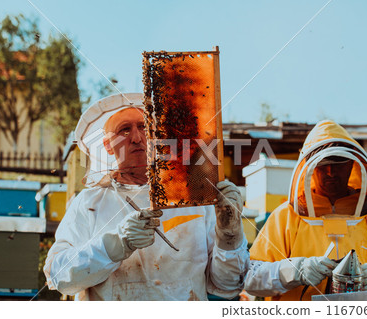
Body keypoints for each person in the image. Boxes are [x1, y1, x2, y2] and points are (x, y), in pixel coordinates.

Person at [43, 93, 249, 300]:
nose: (136, 138)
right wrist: (115, 244)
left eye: (144, 127)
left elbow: (227, 284)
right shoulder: (89, 203)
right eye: (124, 130)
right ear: (107, 145)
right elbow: (58, 276)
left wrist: (229, 234)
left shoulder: (194, 200)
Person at [244, 120, 367, 301]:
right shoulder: (285, 217)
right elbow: (250, 278)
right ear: (310, 168)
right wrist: (293, 271)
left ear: (352, 166)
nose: (331, 172)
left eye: (339, 164)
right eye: (323, 164)